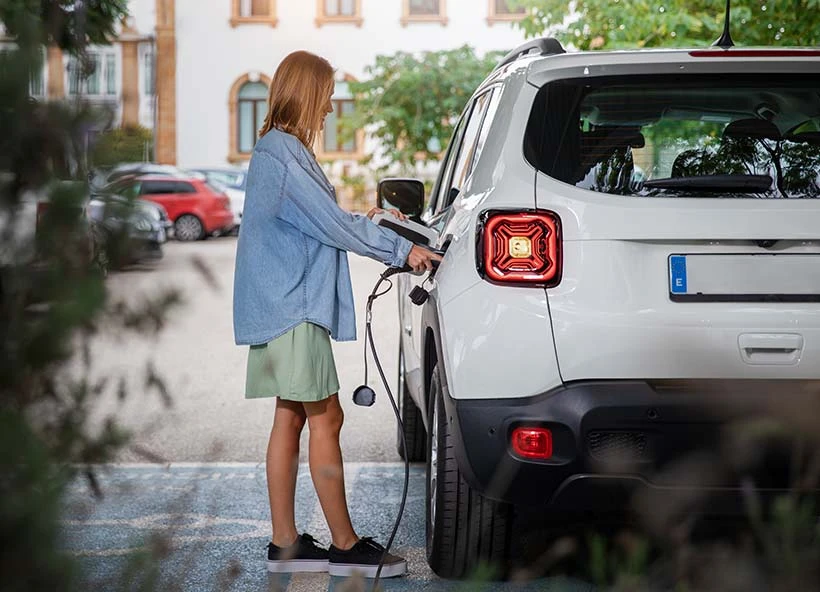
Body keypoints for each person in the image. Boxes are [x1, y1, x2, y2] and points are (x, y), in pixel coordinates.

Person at [232, 50, 441, 579]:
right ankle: (345, 547)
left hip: (282, 307)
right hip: (294, 310)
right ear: (305, 92)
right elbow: (330, 225)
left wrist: (373, 219)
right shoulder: (284, 153)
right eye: (325, 97)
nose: (328, 108)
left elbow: (321, 219)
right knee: (327, 417)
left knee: (292, 414)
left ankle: (285, 543)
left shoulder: (278, 151)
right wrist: (403, 251)